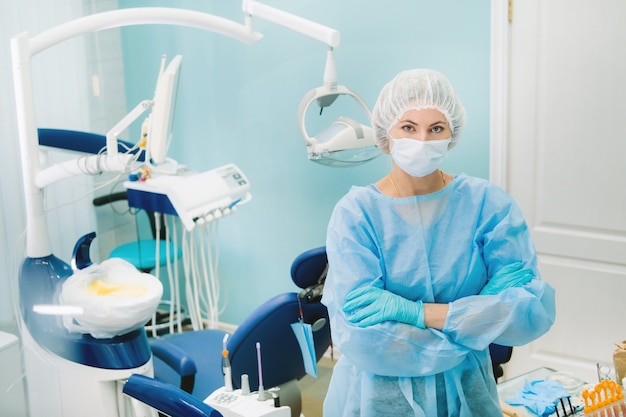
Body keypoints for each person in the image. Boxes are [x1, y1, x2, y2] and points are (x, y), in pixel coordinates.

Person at [321, 68, 556, 417]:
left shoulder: (488, 206)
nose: (422, 141)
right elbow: (366, 339)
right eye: (408, 127)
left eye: (435, 129)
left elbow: (527, 313)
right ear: (387, 132)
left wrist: (415, 313)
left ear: (452, 134)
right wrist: (477, 314)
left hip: (469, 394)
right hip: (381, 398)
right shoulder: (356, 215)